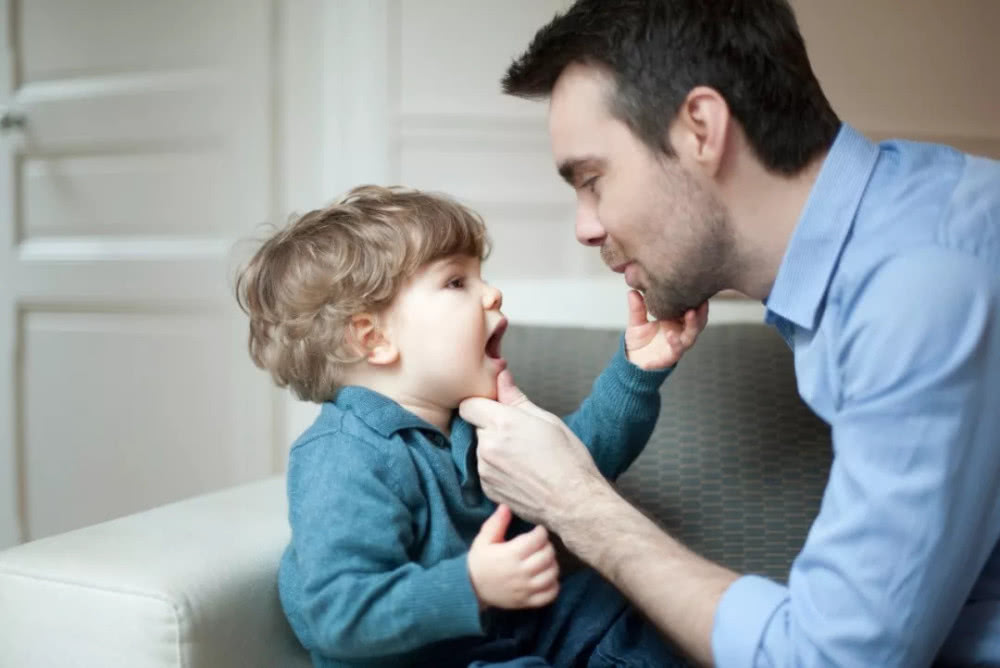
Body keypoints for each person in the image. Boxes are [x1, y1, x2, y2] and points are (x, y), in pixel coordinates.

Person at [458, 1, 1000, 666]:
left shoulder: (919, 287)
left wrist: (577, 505)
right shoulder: (888, 236)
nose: (585, 227)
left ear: (700, 129)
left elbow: (832, 660)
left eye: (593, 180)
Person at [235, 184, 706, 667]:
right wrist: (472, 584)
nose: (493, 292)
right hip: (421, 659)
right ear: (373, 338)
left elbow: (574, 464)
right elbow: (337, 615)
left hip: (505, 637)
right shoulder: (345, 455)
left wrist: (637, 373)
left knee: (604, 606)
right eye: (457, 282)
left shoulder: (472, 422)